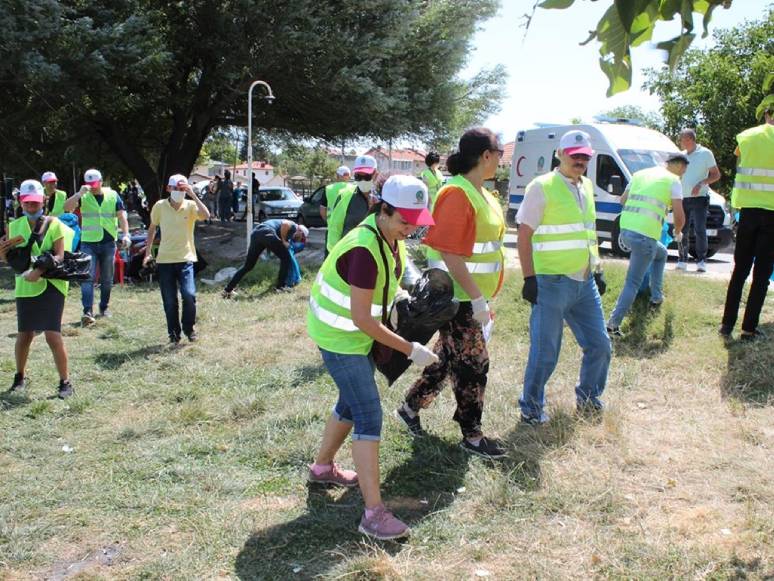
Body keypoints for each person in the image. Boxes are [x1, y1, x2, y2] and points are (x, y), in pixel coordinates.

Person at [306, 175, 437, 540]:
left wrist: (405, 295)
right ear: (383, 210)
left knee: (350, 402)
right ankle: (373, 514)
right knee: (368, 412)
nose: (410, 229)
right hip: (340, 338)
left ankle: (321, 469)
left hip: (353, 335)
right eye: (404, 221)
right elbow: (363, 319)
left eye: (415, 221)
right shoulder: (364, 248)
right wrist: (410, 349)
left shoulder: (388, 237)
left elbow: (391, 279)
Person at [395, 128, 507, 458]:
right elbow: (449, 253)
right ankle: (472, 436)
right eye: (499, 152)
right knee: (473, 364)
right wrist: (475, 298)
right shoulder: (456, 193)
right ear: (486, 155)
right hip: (458, 299)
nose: (501, 159)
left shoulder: (483, 193)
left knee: (446, 360)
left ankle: (409, 408)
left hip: (473, 297)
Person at [516, 130, 612, 424]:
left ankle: (589, 398)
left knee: (600, 346)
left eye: (585, 156)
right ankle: (531, 409)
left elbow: (588, 234)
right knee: (546, 353)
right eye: (575, 155)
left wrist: (597, 271)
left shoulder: (586, 187)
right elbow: (524, 234)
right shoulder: (541, 186)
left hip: (584, 284)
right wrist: (529, 278)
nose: (580, 160)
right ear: (560, 154)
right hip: (551, 283)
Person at [1, 180, 74, 398]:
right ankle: (19, 377)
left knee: (53, 335)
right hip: (25, 286)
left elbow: (60, 255)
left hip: (52, 284)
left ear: (43, 200)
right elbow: (10, 260)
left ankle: (65, 381)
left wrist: (39, 271)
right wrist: (3, 253)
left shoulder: (54, 224)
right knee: (25, 335)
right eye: (27, 204)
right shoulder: (14, 226)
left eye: (35, 203)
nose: (31, 208)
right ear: (21, 202)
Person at [606, 154, 688, 335]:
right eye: (683, 170)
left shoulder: (639, 174)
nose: (683, 175)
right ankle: (612, 325)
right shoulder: (673, 181)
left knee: (662, 253)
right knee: (632, 282)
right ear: (678, 166)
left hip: (625, 232)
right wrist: (678, 231)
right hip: (645, 237)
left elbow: (622, 200)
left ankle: (656, 297)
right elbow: (680, 217)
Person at [720, 106, 774, 341]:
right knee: (761, 274)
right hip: (772, 214)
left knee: (740, 270)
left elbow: (738, 155)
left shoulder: (747, 136)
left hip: (749, 211)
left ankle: (726, 325)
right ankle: (748, 329)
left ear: (766, 114)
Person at [143, 175, 210, 344]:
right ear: (168, 189)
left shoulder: (190, 206)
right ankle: (173, 333)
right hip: (164, 260)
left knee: (189, 294)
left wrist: (193, 194)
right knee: (169, 300)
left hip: (185, 258)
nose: (178, 192)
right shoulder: (160, 206)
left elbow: (206, 215)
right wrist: (147, 253)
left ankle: (189, 328)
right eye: (176, 189)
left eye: (182, 189)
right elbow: (152, 229)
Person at [64, 168, 131, 326]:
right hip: (88, 243)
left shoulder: (113, 195)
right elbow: (67, 208)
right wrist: (79, 194)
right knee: (87, 277)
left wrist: (126, 234)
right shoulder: (83, 195)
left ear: (101, 181)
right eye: (89, 184)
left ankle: (104, 307)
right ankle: (87, 311)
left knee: (107, 278)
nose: (92, 187)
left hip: (108, 242)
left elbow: (121, 216)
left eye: (95, 184)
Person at [221, 219, 309, 297]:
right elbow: (285, 224)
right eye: (301, 239)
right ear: (300, 232)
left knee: (248, 266)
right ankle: (280, 287)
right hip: (266, 231)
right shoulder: (294, 227)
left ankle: (228, 290)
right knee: (286, 258)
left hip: (256, 233)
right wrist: (283, 240)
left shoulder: (291, 234)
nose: (299, 241)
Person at [676, 129, 721, 272]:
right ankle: (682, 259)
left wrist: (701, 183)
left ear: (689, 139)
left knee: (699, 229)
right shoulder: (681, 155)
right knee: (681, 229)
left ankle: (701, 260)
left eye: (682, 139)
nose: (680, 142)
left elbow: (716, 175)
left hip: (700, 198)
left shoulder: (705, 153)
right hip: (683, 198)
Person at [325, 155, 378, 253]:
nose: (362, 180)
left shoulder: (382, 199)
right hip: (347, 256)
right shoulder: (345, 195)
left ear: (376, 174)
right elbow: (335, 229)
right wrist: (336, 256)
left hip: (374, 256)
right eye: (358, 176)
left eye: (366, 176)